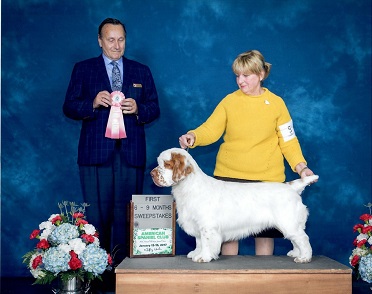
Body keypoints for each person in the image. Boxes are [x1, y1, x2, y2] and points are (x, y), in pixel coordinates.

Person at [179, 49, 315, 257]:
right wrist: (193, 136)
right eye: (237, 75)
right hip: (229, 179)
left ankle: (263, 284)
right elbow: (210, 129)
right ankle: (230, 284)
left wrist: (301, 167)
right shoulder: (229, 101)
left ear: (261, 75)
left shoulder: (277, 104)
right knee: (227, 236)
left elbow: (289, 141)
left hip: (266, 181)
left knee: (265, 235)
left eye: (246, 75)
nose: (240, 81)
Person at [63, 18, 160, 265]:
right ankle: (96, 273)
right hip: (95, 155)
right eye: (111, 39)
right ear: (100, 41)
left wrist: (139, 108)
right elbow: (69, 106)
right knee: (97, 216)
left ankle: (125, 272)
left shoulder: (141, 70)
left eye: (121, 39)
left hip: (130, 153)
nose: (117, 45)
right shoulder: (83, 69)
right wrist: (92, 103)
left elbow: (154, 108)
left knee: (127, 217)